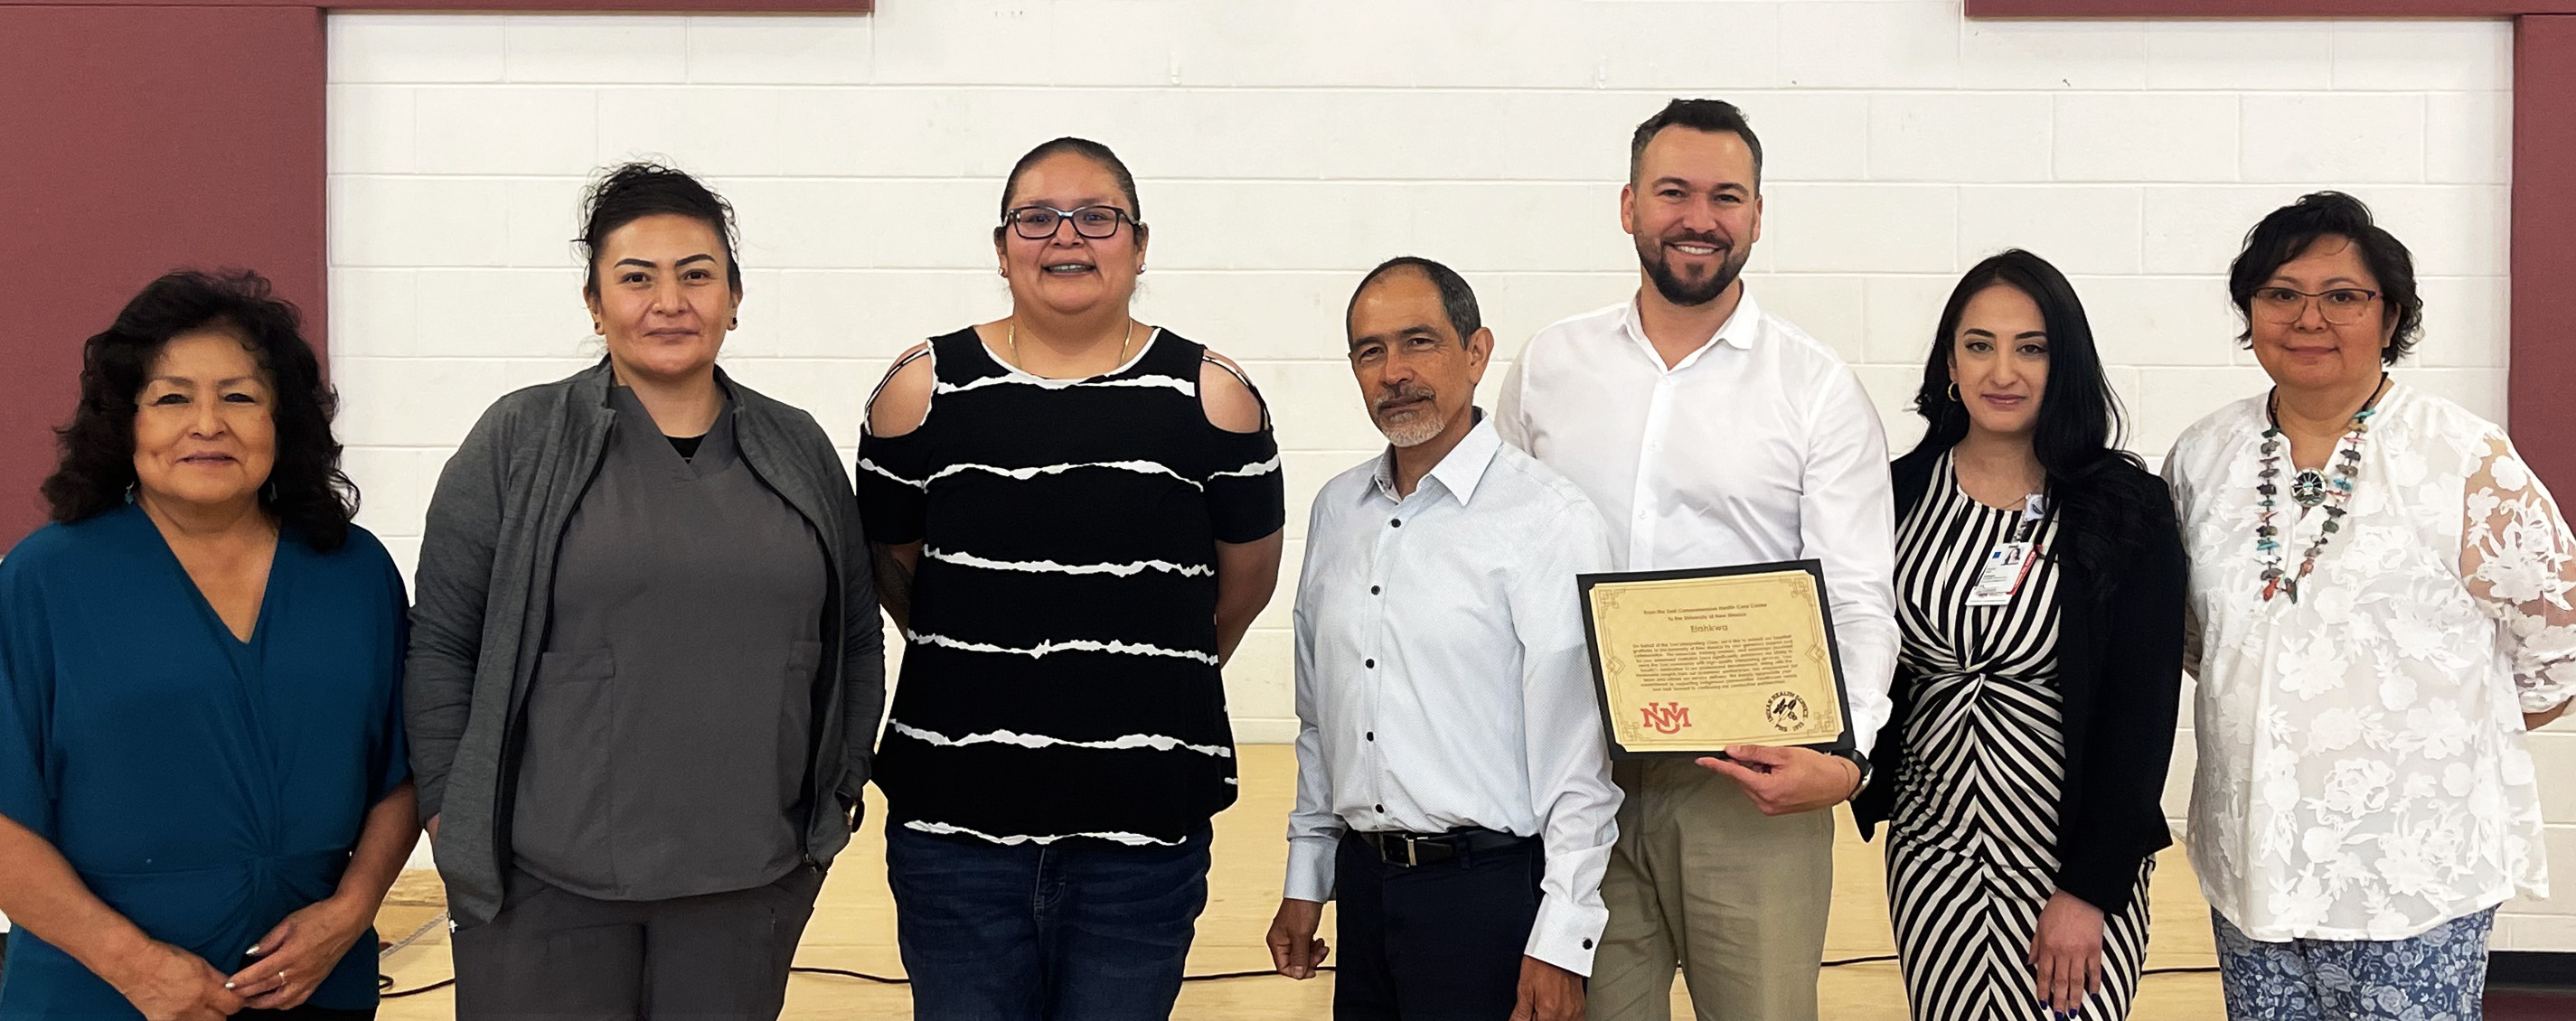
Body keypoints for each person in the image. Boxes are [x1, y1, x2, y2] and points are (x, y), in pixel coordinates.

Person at [405, 163, 883, 1020]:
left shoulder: (797, 447)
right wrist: (448, 807)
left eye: (697, 274)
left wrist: (838, 796)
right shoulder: (518, 440)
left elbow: (851, 638)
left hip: (749, 876)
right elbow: (443, 641)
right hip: (546, 885)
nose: (670, 300)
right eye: (636, 277)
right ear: (595, 304)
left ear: (735, 297)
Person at [855, 136, 1286, 1019]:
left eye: (1098, 217)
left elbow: (1240, 591)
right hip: (954, 840)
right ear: (1002, 244)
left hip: (1142, 840)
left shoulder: (1217, 398)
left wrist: (1142, 670)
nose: (1067, 237)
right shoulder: (917, 392)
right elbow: (899, 577)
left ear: (1139, 244)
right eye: (1036, 218)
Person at [1495, 98, 1900, 1021]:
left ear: (1758, 215)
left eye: (1727, 196)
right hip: (1571, 777)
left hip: (1748, 780)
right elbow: (1503, 554)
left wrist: (1847, 755)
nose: (1699, 217)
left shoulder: (1817, 386)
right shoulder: (1551, 363)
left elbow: (1859, 596)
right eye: (1673, 191)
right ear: (1628, 203)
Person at [2164, 192, 2576, 1020]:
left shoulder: (2463, 458)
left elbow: (2555, 643)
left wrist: (2432, 742)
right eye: (2281, 294)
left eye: (2343, 296)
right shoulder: (2204, 455)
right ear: (2251, 312)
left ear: (2390, 317)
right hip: (2255, 856)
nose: (2308, 317)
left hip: (2410, 868)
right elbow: (2202, 641)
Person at [0, 270, 416, 1020]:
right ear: (124, 422)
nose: (207, 423)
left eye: (240, 396)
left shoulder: (356, 574)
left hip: (314, 984)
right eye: (171, 398)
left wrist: (352, 912)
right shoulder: (44, 581)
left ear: (282, 420)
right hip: (100, 990)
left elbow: (407, 770)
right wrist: (136, 968)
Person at [1265, 258, 1621, 1021]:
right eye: (1370, 351)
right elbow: (1321, 719)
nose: (1394, 372)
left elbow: (1578, 761)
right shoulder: (1338, 511)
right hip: (1364, 889)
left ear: (1477, 352)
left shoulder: (1548, 521)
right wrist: (1308, 877)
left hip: (1486, 901)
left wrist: (1562, 939)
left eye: (1419, 342)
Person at [1852, 250, 2185, 1021]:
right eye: (1980, 345)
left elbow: (2143, 717)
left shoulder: (2124, 505)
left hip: (2069, 855)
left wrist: (2089, 890)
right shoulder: (1892, 493)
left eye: (2031, 347)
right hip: (1935, 853)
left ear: (2064, 361)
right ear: (1949, 362)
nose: (2003, 370)